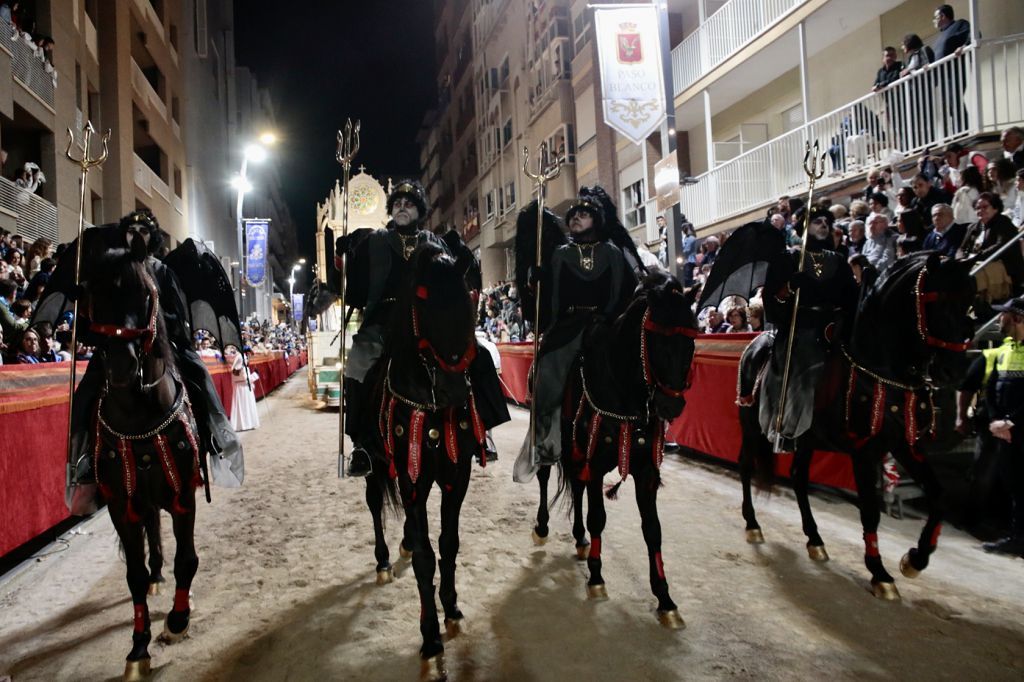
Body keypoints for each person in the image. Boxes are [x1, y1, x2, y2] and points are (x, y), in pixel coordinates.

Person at [68, 210, 244, 504]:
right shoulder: (110, 269)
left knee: (198, 373)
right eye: (131, 229)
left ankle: (214, 436)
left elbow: (179, 316)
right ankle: (83, 457)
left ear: (154, 237)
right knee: (85, 391)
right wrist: (84, 297)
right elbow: (102, 310)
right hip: (120, 343)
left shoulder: (163, 271)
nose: (137, 234)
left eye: (144, 229)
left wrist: (155, 320)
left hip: (161, 342)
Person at [342, 180, 507, 476]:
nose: (402, 207)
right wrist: (347, 258)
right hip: (384, 318)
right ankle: (361, 443)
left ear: (419, 210)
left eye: (409, 203)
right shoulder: (374, 240)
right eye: (398, 204)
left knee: (476, 353)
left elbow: (456, 279)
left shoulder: (434, 241)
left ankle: (483, 429)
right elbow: (354, 289)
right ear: (391, 210)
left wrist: (464, 255)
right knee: (357, 363)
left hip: (428, 318)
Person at [514, 186, 640, 480]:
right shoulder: (559, 255)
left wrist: (607, 317)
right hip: (567, 325)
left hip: (604, 324)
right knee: (546, 370)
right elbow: (554, 298)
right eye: (572, 215)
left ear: (595, 219)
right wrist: (537, 282)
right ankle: (545, 436)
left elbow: (619, 290)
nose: (576, 218)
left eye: (583, 214)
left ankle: (641, 426)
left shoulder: (611, 252)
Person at [760, 210, 860, 445]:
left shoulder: (838, 260)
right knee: (804, 365)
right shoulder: (788, 259)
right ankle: (790, 429)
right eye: (817, 222)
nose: (824, 225)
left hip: (835, 326)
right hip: (801, 327)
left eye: (827, 222)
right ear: (803, 227)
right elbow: (773, 299)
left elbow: (851, 299)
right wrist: (789, 286)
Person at [981, 297, 1024, 556]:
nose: (999, 320)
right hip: (1005, 433)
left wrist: (1012, 422)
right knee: (1014, 485)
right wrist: (996, 422)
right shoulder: (1004, 350)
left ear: (1017, 318)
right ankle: (1016, 537)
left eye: (1004, 315)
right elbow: (990, 389)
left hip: (1018, 430)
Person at [958, 192, 1024, 297]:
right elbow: (961, 248)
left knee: (974, 274)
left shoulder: (1003, 222)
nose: (980, 210)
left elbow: (1000, 246)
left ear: (995, 208)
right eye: (977, 208)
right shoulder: (973, 227)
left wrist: (975, 258)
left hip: (1003, 266)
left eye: (985, 207)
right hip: (973, 262)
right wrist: (960, 260)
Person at [228, 345, 260, 431]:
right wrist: (256, 375)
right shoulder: (240, 368)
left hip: (241, 388)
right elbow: (246, 379)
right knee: (245, 405)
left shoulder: (240, 368)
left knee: (244, 405)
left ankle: (245, 424)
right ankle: (246, 424)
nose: (247, 359)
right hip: (243, 388)